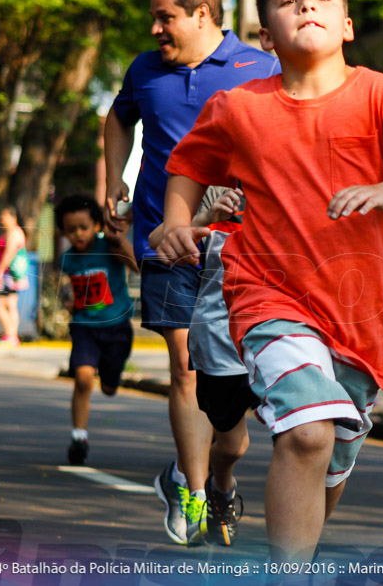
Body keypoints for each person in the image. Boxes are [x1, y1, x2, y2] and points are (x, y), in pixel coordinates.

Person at [156, 0, 383, 561]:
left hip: (361, 318)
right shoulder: (239, 107)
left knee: (329, 453)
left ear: (347, 24)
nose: (306, 6)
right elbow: (189, 165)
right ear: (266, 34)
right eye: (288, 0)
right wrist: (175, 221)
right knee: (306, 432)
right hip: (267, 297)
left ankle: (292, 556)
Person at [101, 0, 279, 545]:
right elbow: (117, 118)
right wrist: (113, 186)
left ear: (202, 15)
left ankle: (205, 469)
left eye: (165, 17)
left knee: (235, 406)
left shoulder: (262, 68)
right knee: (184, 365)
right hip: (166, 238)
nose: (155, 28)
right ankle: (195, 494)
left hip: (245, 247)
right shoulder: (144, 72)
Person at [150, 186, 251, 546]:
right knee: (234, 446)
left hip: (282, 331)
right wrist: (204, 221)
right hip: (222, 339)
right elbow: (159, 239)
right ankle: (219, 485)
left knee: (302, 432)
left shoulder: (302, 179)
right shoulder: (216, 190)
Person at [56, 195, 137, 467]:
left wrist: (120, 242)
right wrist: (70, 300)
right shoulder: (67, 259)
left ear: (96, 225)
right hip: (84, 328)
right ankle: (79, 437)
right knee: (82, 378)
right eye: (70, 229)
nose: (77, 234)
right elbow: (71, 288)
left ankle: (111, 376)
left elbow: (137, 264)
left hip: (117, 328)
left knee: (110, 387)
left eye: (83, 227)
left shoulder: (109, 248)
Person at [0, 205, 29, 346]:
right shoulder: (9, 232)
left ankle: (10, 334)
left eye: (5, 215)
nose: (2, 219)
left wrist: (0, 270)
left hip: (9, 274)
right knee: (10, 304)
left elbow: (9, 253)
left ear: (13, 217)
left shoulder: (14, 233)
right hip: (10, 274)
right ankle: (11, 335)